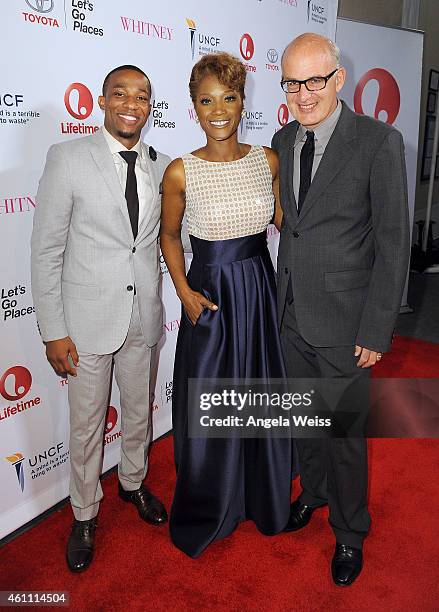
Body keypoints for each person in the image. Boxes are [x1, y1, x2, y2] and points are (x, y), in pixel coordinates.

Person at [272, 33, 410, 586]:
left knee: (344, 435)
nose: (303, 94)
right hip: (291, 315)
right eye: (292, 83)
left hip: (347, 322)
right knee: (306, 424)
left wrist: (377, 327)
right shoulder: (282, 140)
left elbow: (394, 242)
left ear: (338, 79)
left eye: (314, 81)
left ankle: (350, 532)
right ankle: (316, 493)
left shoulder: (378, 142)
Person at [31, 65, 170, 573]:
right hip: (86, 322)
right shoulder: (67, 158)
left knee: (139, 413)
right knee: (88, 426)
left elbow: (164, 240)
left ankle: (133, 483)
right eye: (121, 94)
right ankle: (84, 514)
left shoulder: (161, 164)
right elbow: (46, 250)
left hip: (143, 317)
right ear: (102, 101)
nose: (132, 104)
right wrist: (53, 329)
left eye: (142, 96)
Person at [160, 52, 292, 558]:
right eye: (206, 100)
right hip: (211, 298)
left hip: (258, 291)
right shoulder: (180, 171)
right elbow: (169, 238)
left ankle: (262, 496)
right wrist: (184, 291)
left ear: (243, 101)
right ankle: (214, 502)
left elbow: (285, 222)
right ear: (194, 106)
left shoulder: (267, 160)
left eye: (228, 98)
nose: (218, 110)